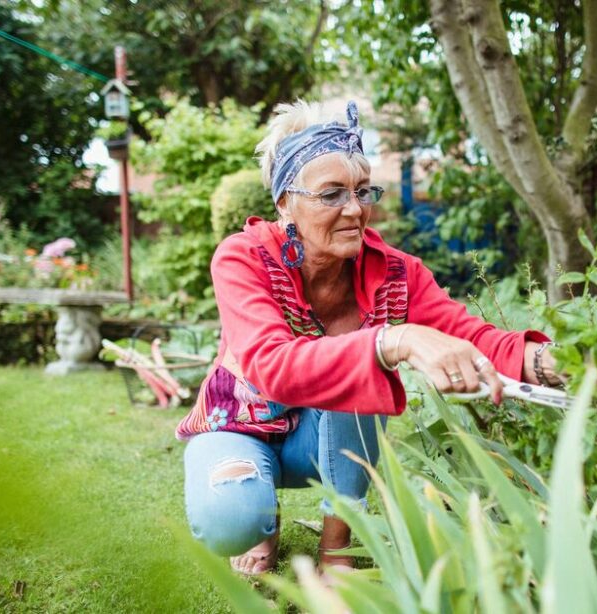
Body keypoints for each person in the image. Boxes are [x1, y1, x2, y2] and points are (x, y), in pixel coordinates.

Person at [177, 100, 562, 576]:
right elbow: (272, 365)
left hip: (318, 442)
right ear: (284, 203)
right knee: (233, 520)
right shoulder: (244, 259)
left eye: (363, 191)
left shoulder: (397, 272)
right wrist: (393, 340)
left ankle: (337, 554)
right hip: (237, 427)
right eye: (332, 194)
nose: (355, 210)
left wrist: (550, 361)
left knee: (358, 385)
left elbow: (470, 335)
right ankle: (260, 519)